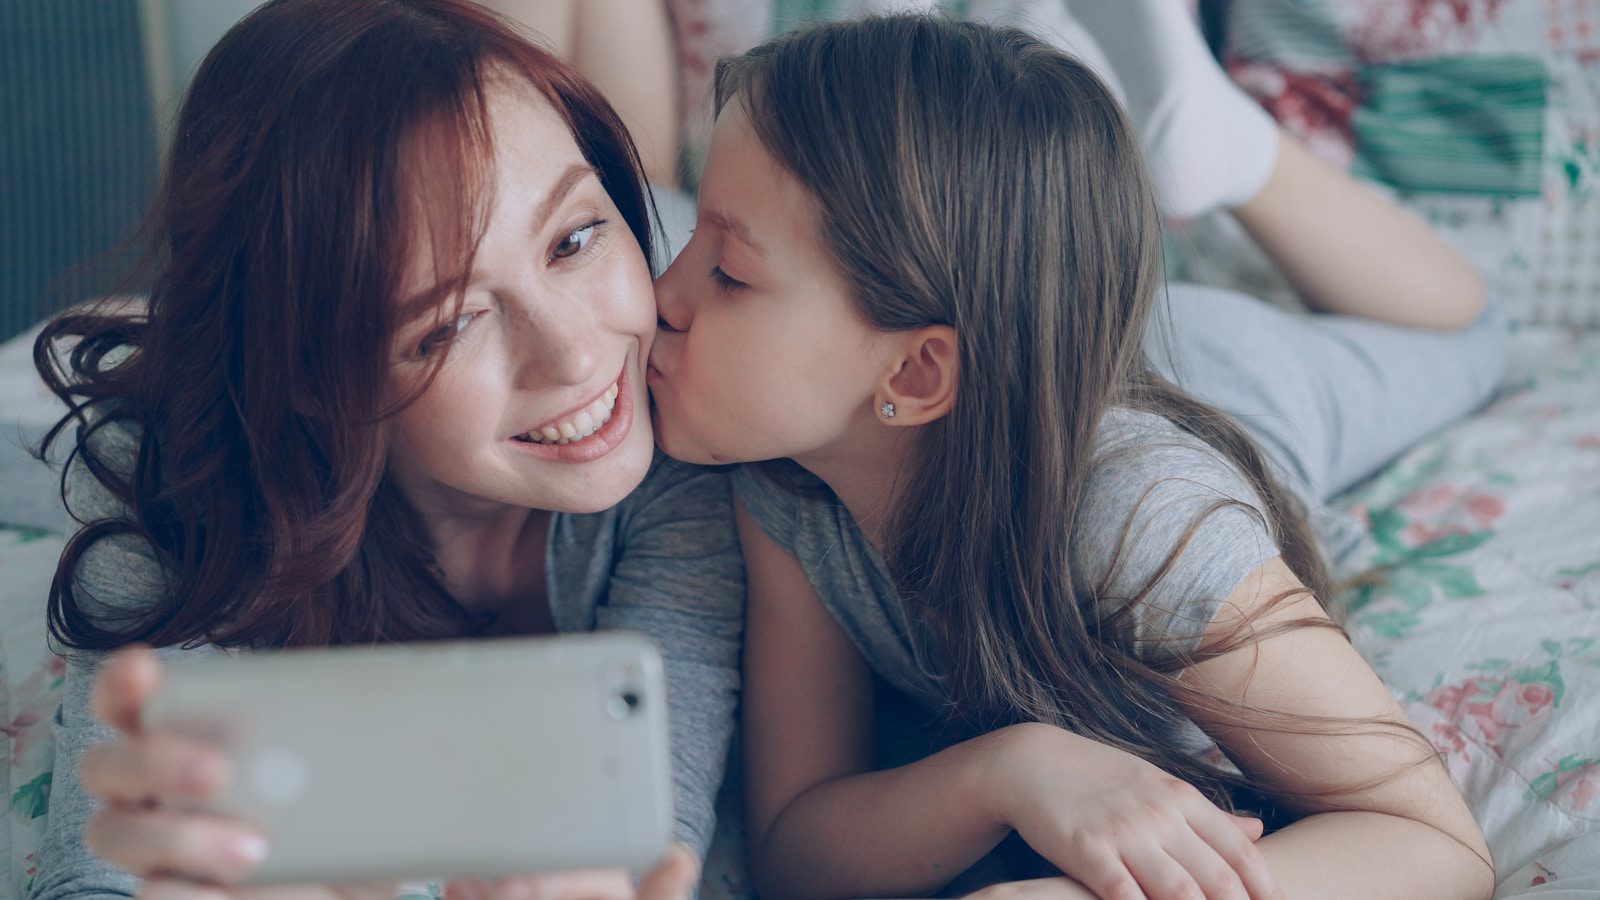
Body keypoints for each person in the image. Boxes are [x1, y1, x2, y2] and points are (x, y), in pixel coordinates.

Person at [646, 7, 1501, 899]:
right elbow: (795, 845)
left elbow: (1439, 845)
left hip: (1236, 373)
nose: (662, 293)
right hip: (1042, 364)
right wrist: (1005, 772)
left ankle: (1228, 150)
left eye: (730, 272)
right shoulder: (790, 483)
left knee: (1475, 334)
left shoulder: (1145, 516)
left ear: (917, 368)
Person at [29, 2, 743, 898]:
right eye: (447, 327)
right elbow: (106, 878)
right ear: (312, 374)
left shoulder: (686, 413)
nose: (575, 354)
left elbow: (649, 841)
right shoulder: (182, 484)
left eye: (575, 238)